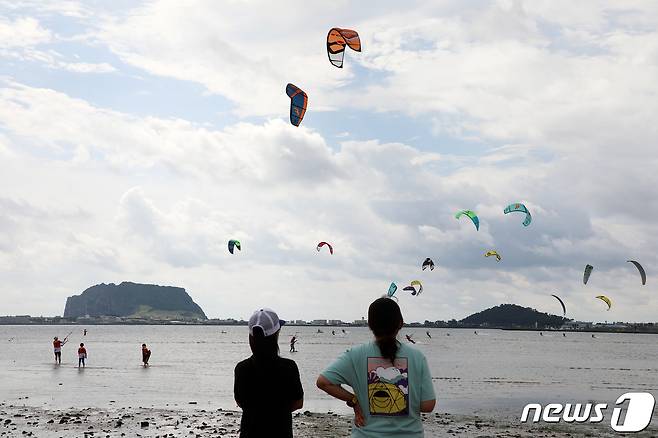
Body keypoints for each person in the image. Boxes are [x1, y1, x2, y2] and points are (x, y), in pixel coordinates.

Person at [317, 298, 436, 437]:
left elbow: (323, 382)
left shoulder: (354, 354)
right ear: (401, 323)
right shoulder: (417, 356)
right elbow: (428, 406)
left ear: (370, 325)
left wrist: (354, 400)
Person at [234, 308, 303, 438]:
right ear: (276, 334)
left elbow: (240, 401)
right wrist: (278, 410)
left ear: (251, 336)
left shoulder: (242, 368)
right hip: (281, 432)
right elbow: (298, 403)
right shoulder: (289, 367)